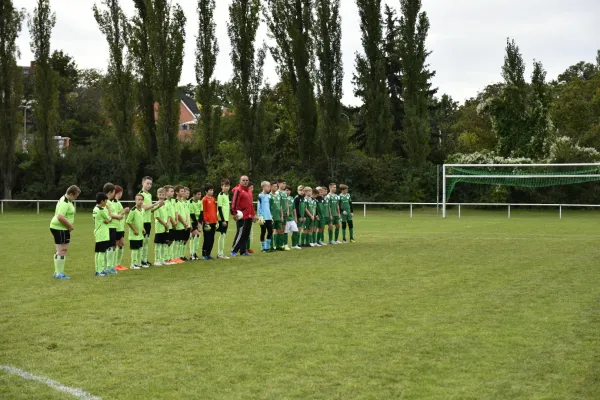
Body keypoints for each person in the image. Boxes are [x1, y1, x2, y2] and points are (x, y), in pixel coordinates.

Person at [49, 185, 80, 279]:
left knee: (61, 250)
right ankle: (59, 273)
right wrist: (69, 225)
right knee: (62, 250)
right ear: (71, 194)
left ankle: (57, 272)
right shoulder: (65, 202)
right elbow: (60, 216)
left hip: (60, 228)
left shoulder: (65, 199)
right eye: (75, 196)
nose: (76, 198)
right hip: (60, 228)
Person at [138, 176, 163, 266]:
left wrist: (158, 206)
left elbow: (150, 210)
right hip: (142, 221)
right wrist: (155, 203)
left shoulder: (149, 195)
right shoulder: (140, 195)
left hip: (148, 221)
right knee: (142, 241)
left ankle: (144, 259)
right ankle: (139, 260)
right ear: (142, 183)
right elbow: (144, 207)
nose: (149, 185)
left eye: (150, 184)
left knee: (147, 241)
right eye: (147, 183)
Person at [230, 175, 255, 257]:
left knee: (246, 234)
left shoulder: (249, 190)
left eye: (246, 180)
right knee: (240, 234)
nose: (245, 182)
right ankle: (233, 250)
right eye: (243, 180)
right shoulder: (238, 190)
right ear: (240, 181)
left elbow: (251, 204)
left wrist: (253, 215)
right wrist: (234, 213)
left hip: (249, 216)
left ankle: (243, 251)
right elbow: (234, 202)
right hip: (241, 216)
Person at [103, 183, 121, 275]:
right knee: (110, 246)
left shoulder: (109, 201)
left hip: (113, 226)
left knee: (111, 246)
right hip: (110, 227)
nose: (115, 193)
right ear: (111, 192)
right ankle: (109, 267)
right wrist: (118, 216)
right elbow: (108, 215)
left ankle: (108, 266)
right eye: (114, 191)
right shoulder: (106, 202)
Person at [93, 192, 112, 277]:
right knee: (102, 252)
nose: (106, 203)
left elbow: (106, 220)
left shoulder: (95, 208)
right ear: (102, 201)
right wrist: (108, 209)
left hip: (97, 232)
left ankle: (97, 269)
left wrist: (106, 220)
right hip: (103, 233)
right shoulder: (101, 210)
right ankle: (101, 270)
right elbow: (110, 218)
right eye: (105, 201)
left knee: (97, 252)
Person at [126, 194, 146, 270]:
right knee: (135, 249)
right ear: (135, 201)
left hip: (140, 234)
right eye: (138, 200)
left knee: (140, 248)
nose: (140, 201)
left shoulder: (143, 210)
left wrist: (143, 228)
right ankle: (133, 264)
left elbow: (141, 221)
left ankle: (138, 263)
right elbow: (128, 221)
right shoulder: (133, 210)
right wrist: (134, 230)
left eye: (141, 200)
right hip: (134, 235)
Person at [113, 186, 130, 270]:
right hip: (116, 227)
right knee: (115, 245)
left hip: (120, 228)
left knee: (121, 244)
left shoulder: (117, 202)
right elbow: (116, 215)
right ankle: (114, 264)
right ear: (119, 193)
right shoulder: (113, 202)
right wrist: (125, 211)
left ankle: (118, 264)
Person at [200, 183, 218, 260]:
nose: (212, 191)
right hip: (207, 222)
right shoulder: (204, 199)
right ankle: (204, 254)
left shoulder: (213, 199)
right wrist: (205, 221)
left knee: (212, 238)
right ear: (206, 191)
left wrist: (216, 220)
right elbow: (203, 211)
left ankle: (209, 253)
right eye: (210, 190)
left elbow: (214, 210)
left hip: (213, 221)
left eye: (212, 190)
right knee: (207, 239)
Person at [153, 187, 171, 265]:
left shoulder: (167, 204)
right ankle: (157, 260)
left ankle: (163, 259)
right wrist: (165, 224)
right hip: (159, 228)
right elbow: (157, 216)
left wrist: (168, 223)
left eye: (163, 194)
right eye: (160, 194)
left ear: (165, 195)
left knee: (164, 244)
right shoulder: (156, 205)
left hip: (166, 227)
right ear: (157, 195)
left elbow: (169, 215)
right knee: (158, 244)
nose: (161, 196)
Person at [216, 179, 231, 259]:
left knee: (223, 235)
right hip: (222, 219)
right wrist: (223, 220)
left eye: (228, 186)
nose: (226, 187)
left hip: (226, 218)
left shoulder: (226, 195)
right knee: (222, 235)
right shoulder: (221, 195)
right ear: (222, 186)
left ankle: (221, 253)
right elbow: (220, 208)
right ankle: (220, 253)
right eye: (225, 186)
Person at [257, 181, 274, 252]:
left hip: (268, 217)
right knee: (263, 232)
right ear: (263, 187)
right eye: (268, 186)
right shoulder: (260, 196)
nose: (269, 188)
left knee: (270, 231)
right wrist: (260, 216)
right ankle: (263, 247)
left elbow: (269, 207)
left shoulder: (269, 196)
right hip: (263, 218)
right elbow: (258, 207)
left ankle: (267, 247)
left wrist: (271, 216)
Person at [189, 188, 203, 261]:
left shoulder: (200, 202)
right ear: (194, 195)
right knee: (196, 235)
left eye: (200, 194)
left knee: (195, 237)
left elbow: (201, 213)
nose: (200, 196)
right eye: (198, 194)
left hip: (198, 222)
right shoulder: (190, 202)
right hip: (192, 221)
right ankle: (192, 254)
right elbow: (191, 214)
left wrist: (200, 223)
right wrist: (197, 224)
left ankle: (194, 253)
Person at [277, 178, 291, 250]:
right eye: (283, 183)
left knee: (284, 229)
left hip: (285, 213)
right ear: (278, 184)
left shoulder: (285, 192)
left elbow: (286, 203)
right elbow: (279, 204)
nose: (284, 185)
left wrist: (288, 210)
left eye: (285, 183)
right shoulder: (277, 192)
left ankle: (283, 244)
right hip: (280, 213)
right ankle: (278, 245)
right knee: (279, 229)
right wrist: (281, 214)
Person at [269, 181, 283, 250]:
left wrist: (282, 216)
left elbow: (280, 206)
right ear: (270, 187)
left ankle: (278, 246)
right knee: (270, 231)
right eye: (274, 186)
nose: (276, 188)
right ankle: (271, 246)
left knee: (280, 230)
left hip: (278, 217)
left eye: (276, 186)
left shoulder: (278, 195)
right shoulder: (269, 196)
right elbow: (267, 207)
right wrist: (269, 216)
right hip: (272, 217)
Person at [246, 183, 255, 253]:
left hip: (250, 215)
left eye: (252, 188)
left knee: (248, 232)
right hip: (245, 216)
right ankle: (243, 248)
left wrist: (253, 215)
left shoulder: (251, 196)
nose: (252, 189)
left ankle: (248, 248)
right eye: (250, 188)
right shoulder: (245, 195)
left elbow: (251, 207)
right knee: (245, 233)